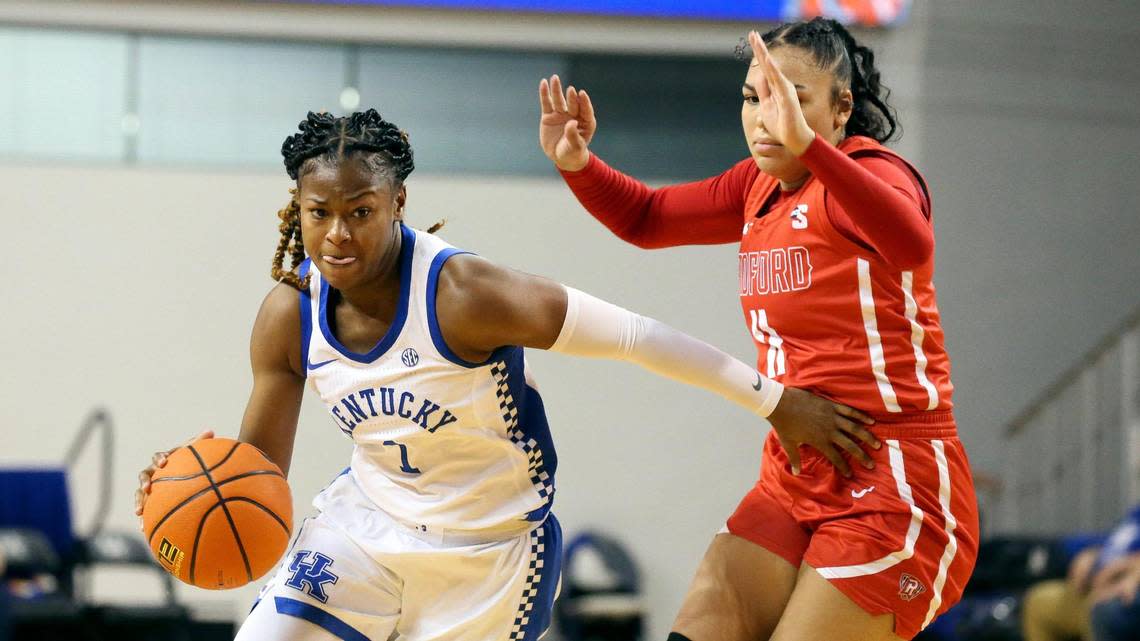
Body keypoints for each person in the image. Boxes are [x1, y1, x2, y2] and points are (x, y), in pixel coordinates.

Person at [134, 109, 878, 641]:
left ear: (398, 203)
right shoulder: (288, 314)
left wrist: (775, 402)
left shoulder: (467, 297)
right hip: (364, 529)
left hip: (487, 555)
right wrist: (195, 482)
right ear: (297, 206)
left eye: (360, 210)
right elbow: (258, 475)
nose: (337, 232)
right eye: (319, 210)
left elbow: (638, 338)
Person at [537, 17, 980, 641]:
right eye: (754, 97)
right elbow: (647, 217)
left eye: (790, 99)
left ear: (839, 108)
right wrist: (579, 163)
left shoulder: (874, 172)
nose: (766, 116)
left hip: (896, 478)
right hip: (796, 471)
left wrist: (815, 151)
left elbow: (911, 241)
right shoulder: (757, 185)